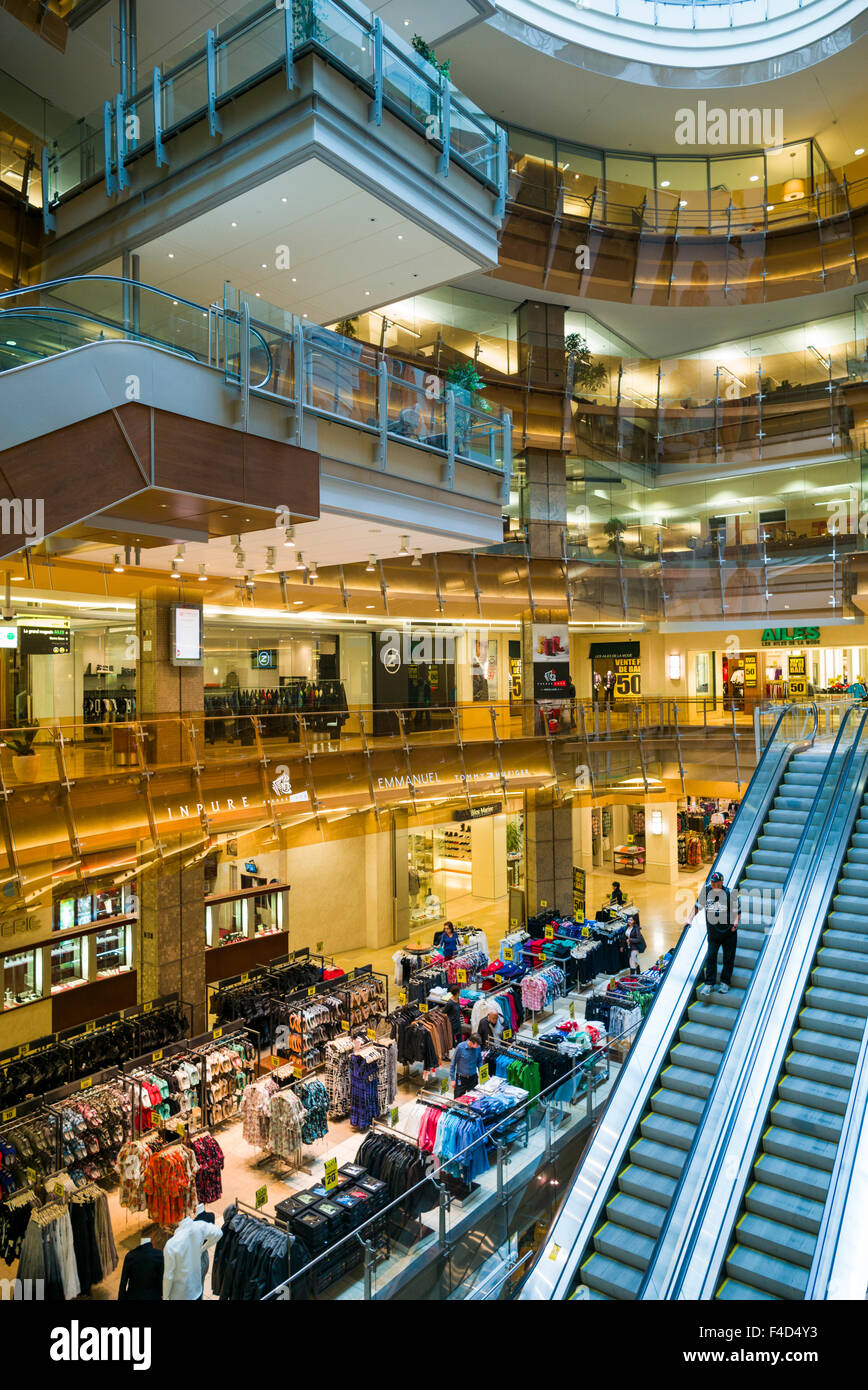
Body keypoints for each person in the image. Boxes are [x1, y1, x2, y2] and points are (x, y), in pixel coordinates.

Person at [688, 870, 740, 998]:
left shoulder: (729, 893)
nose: (713, 884)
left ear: (721, 883)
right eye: (711, 882)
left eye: (715, 883)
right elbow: (697, 906)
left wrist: (735, 923)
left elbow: (738, 911)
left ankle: (725, 982)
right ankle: (709, 984)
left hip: (729, 933)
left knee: (728, 958)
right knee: (711, 957)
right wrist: (689, 919)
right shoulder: (706, 892)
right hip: (713, 934)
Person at [449, 1033, 482, 1098]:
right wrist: (452, 1079)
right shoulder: (460, 1047)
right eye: (477, 1044)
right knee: (458, 1099)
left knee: (473, 1098)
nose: (478, 1046)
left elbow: (479, 1061)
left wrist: (482, 1071)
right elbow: (453, 1063)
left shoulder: (478, 1048)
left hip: (473, 1078)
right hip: (461, 1079)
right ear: (471, 1042)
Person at [443, 983, 462, 1047]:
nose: (460, 993)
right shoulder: (450, 1003)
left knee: (460, 1037)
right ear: (457, 993)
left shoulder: (458, 999)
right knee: (452, 1039)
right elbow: (444, 1012)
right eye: (459, 992)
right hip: (452, 1023)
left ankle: (460, 1047)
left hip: (458, 1021)